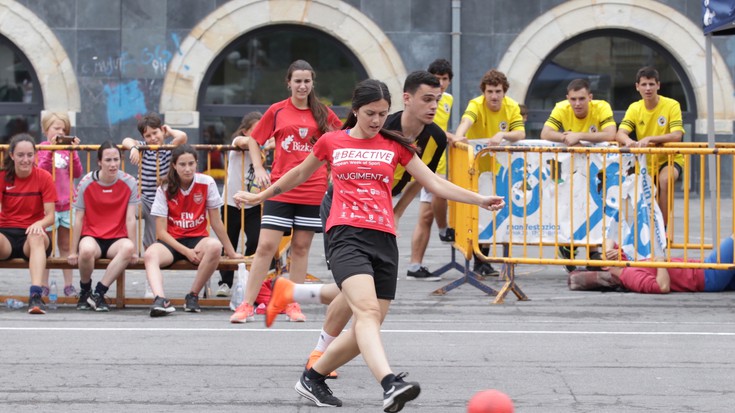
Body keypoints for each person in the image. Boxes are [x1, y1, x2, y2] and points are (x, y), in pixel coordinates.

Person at [235, 79, 505, 412]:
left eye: (380, 113)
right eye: (369, 113)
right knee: (366, 311)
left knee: (370, 324)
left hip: (384, 237)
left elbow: (433, 182)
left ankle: (312, 376)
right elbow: (298, 174)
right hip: (346, 233)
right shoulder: (332, 142)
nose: (376, 120)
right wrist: (262, 195)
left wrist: (479, 199)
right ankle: (390, 383)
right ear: (355, 111)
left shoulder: (395, 145)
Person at [229, 60, 341, 323]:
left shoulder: (323, 113)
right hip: (280, 189)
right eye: (297, 81)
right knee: (266, 246)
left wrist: (335, 173)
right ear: (288, 83)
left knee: (301, 248)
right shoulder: (277, 111)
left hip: (312, 190)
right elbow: (255, 139)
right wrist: (258, 168)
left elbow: (342, 139)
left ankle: (292, 304)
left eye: (307, 81)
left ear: (313, 83)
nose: (302, 86)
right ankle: (246, 304)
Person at [143, 145, 242, 317]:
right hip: (171, 242)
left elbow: (216, 222)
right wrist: (185, 251)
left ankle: (192, 295)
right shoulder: (164, 188)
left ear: (197, 163)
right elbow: (161, 233)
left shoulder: (207, 182)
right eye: (182, 164)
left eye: (191, 163)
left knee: (215, 247)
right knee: (150, 254)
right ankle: (160, 299)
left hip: (197, 240)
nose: (187, 169)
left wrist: (232, 252)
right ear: (174, 165)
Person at [452, 69, 526, 277]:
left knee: (497, 214)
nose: (494, 96)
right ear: (484, 92)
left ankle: (487, 259)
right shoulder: (476, 104)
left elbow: (521, 133)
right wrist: (459, 136)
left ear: (505, 92)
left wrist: (502, 133)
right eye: (490, 91)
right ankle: (479, 259)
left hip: (500, 169)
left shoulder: (511, 107)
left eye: (498, 92)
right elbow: (465, 123)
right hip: (475, 169)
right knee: (479, 215)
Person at [540, 78, 617, 272]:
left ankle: (593, 252)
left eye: (582, 98)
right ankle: (568, 247)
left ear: (590, 98)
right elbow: (545, 133)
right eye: (573, 99)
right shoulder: (561, 108)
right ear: (567, 98)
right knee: (570, 207)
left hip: (596, 170)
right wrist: (566, 137)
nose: (577, 103)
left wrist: (579, 136)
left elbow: (610, 134)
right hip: (570, 170)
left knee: (594, 207)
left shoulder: (602, 107)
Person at [385, 70, 447, 281]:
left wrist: (397, 212)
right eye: (427, 99)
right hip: (356, 198)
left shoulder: (437, 137)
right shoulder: (383, 128)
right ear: (407, 98)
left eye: (437, 100)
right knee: (356, 273)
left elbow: (423, 180)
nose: (434, 106)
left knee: (378, 273)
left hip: (387, 198)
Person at [67, 141, 139, 312]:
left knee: (128, 248)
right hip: (92, 236)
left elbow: (131, 218)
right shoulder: (85, 182)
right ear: (99, 162)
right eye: (108, 160)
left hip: (116, 239)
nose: (113, 164)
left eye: (116, 159)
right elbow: (78, 219)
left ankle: (98, 293)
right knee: (85, 250)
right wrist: (72, 251)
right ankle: (85, 291)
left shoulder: (130, 182)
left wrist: (135, 249)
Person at [121, 113, 187, 298]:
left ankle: (151, 283)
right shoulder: (143, 148)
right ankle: (122, 245)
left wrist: (169, 131)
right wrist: (134, 147)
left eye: (155, 133)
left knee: (151, 240)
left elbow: (182, 137)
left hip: (157, 202)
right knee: (124, 215)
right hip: (141, 198)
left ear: (162, 131)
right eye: (147, 135)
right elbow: (126, 140)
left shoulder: (168, 148)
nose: (152, 138)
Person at [616, 66, 685, 228]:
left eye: (652, 84)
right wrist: (628, 141)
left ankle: (663, 229)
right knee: (641, 199)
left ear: (658, 86)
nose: (648, 88)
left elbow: (677, 136)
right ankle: (645, 233)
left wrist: (650, 139)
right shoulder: (635, 108)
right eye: (644, 84)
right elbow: (620, 133)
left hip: (670, 158)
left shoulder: (672, 105)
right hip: (645, 163)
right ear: (637, 87)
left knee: (665, 180)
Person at [0, 134, 56, 314]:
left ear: (35, 155)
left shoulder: (44, 177)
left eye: (30, 155)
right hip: (7, 235)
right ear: (12, 156)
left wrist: (39, 223)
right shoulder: (3, 176)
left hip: (32, 236)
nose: (26, 160)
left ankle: (35, 296)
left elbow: (51, 216)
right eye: (21, 155)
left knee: (36, 236)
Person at [410, 59, 455, 280]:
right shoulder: (423, 99)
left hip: (439, 160)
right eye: (437, 79)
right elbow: (427, 124)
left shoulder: (448, 100)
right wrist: (450, 136)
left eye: (445, 79)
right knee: (434, 198)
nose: (441, 83)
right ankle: (444, 228)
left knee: (425, 215)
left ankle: (415, 265)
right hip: (422, 160)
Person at [576, 237, 735, 294]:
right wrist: (660, 264)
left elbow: (608, 240)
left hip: (703, 270)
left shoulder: (623, 263)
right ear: (605, 267)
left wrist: (608, 249)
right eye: (603, 258)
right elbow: (662, 286)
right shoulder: (629, 276)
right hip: (707, 275)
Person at [216, 112, 263, 297]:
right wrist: (258, 141)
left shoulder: (263, 149)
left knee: (257, 239)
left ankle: (250, 278)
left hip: (253, 202)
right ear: (245, 131)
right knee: (229, 242)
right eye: (255, 130)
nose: (259, 134)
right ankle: (225, 282)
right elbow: (243, 142)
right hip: (231, 204)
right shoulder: (238, 143)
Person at [36, 112, 83, 298]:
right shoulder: (41, 148)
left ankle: (68, 284)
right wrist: (51, 150)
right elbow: (41, 170)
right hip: (48, 205)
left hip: (66, 202)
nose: (60, 132)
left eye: (64, 129)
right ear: (46, 129)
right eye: (56, 128)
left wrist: (74, 152)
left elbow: (77, 172)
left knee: (65, 244)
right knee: (46, 246)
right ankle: (43, 283)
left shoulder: (67, 150)